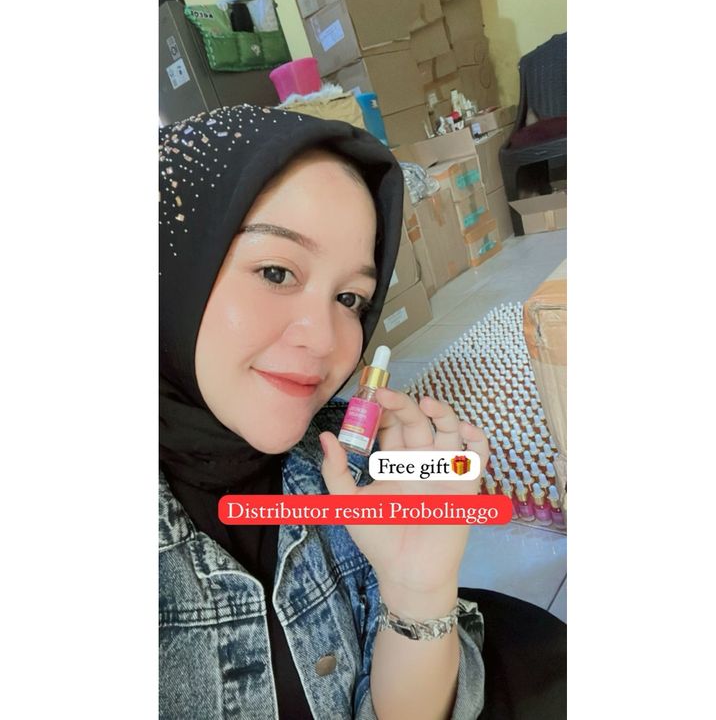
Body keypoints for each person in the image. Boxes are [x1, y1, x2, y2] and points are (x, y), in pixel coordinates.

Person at [159, 104, 489, 719]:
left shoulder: (346, 464)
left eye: (349, 298)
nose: (324, 338)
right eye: (276, 271)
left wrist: (418, 593)